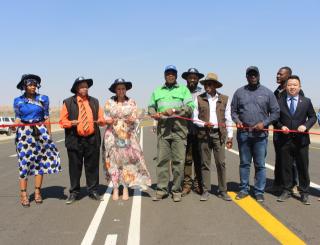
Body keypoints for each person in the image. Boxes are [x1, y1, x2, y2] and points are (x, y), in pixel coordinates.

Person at [231, 66, 280, 202]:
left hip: (260, 136)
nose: (252, 77)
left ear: (259, 76)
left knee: (260, 164)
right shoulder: (239, 92)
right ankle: (243, 189)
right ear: (246, 77)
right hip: (244, 134)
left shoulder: (268, 93)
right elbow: (233, 111)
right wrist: (237, 121)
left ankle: (259, 191)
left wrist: (264, 123)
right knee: (244, 163)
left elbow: (276, 112)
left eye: (255, 74)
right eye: (250, 75)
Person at [148, 65, 195, 202]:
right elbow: (151, 107)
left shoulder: (183, 90)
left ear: (176, 75)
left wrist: (174, 110)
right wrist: (154, 114)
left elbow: (190, 108)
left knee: (178, 162)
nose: (170, 75)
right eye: (168, 73)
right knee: (162, 161)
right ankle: (161, 190)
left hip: (179, 132)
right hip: (163, 132)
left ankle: (176, 190)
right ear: (164, 75)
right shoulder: (157, 91)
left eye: (173, 73)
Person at [14, 74, 61, 207]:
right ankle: (23, 194)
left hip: (40, 132)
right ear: (24, 86)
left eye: (35, 84)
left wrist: (49, 136)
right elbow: (18, 118)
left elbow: (46, 117)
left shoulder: (43, 99)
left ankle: (37, 192)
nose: (33, 86)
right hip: (24, 133)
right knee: (24, 163)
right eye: (30, 84)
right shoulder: (18, 101)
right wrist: (14, 127)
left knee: (40, 163)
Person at [103, 78, 151, 201]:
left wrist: (132, 120)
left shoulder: (132, 102)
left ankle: (124, 187)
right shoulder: (109, 102)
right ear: (115, 90)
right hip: (111, 137)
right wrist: (107, 120)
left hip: (126, 137)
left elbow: (136, 118)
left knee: (125, 162)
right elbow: (104, 118)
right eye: (118, 88)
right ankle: (115, 187)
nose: (121, 91)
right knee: (112, 163)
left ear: (126, 89)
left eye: (123, 88)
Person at [60, 76, 105, 204]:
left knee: (92, 167)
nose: (85, 88)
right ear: (76, 88)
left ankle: (93, 191)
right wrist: (70, 123)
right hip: (75, 139)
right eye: (82, 86)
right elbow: (62, 121)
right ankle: (74, 192)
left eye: (86, 86)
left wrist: (101, 121)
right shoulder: (68, 102)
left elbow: (101, 119)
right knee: (75, 167)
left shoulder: (95, 102)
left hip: (92, 139)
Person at [275, 75, 316, 205]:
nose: (292, 87)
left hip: (301, 140)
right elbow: (275, 119)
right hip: (285, 140)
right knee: (286, 166)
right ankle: (287, 190)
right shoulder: (279, 101)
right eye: (290, 85)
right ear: (286, 87)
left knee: (303, 167)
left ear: (300, 87)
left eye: (295, 85)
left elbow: (313, 117)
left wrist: (306, 126)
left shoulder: (306, 101)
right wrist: (282, 127)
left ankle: (304, 192)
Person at [193, 73, 233, 201]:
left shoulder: (225, 99)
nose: (207, 86)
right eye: (205, 84)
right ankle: (205, 190)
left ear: (216, 85)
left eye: (209, 84)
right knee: (205, 163)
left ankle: (223, 190)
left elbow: (228, 119)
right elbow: (194, 118)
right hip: (204, 134)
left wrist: (230, 137)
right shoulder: (199, 98)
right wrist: (204, 123)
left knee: (221, 163)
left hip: (219, 134)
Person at [270, 67, 301, 195]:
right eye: (277, 73)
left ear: (288, 76)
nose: (277, 76)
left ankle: (294, 185)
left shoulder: (296, 92)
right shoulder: (276, 92)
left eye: (280, 74)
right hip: (278, 131)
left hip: (291, 134)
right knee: (279, 159)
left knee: (292, 161)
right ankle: (278, 184)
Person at [181, 68, 204, 196]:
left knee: (199, 159)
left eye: (195, 77)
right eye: (190, 77)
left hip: (200, 132)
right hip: (185, 131)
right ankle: (187, 184)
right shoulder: (182, 92)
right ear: (186, 79)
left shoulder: (203, 92)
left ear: (198, 79)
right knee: (187, 159)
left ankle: (198, 184)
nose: (192, 80)